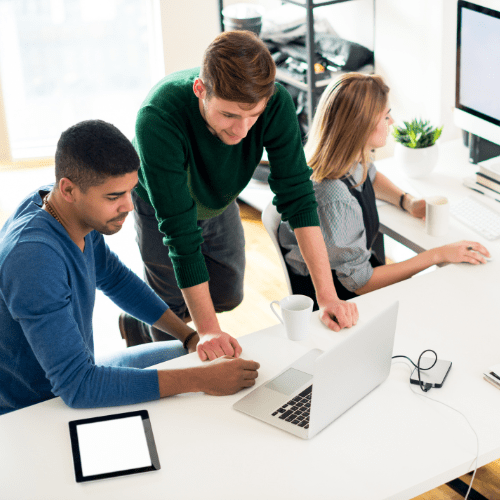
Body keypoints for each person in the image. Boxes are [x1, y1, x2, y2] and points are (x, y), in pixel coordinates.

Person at [120, 30, 358, 354]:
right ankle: (148, 324)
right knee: (171, 315)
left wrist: (327, 296)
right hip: (160, 204)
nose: (242, 130)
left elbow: (299, 198)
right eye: (229, 115)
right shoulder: (157, 118)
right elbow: (180, 233)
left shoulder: (276, 103)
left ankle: (153, 316)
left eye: (253, 115)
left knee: (229, 293)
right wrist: (208, 332)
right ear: (200, 90)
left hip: (217, 196)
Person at [0, 120, 259, 416]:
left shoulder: (66, 209)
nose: (129, 206)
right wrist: (200, 381)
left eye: (130, 191)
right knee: (198, 380)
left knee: (200, 356)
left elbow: (116, 279)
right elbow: (78, 387)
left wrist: (189, 336)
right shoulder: (33, 260)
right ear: (68, 189)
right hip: (36, 409)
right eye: (114, 197)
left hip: (81, 372)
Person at [279, 73, 490, 304]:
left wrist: (406, 201)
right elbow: (362, 284)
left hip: (358, 274)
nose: (392, 122)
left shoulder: (347, 159)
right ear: (361, 126)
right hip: (344, 298)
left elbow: (371, 176)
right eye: (386, 116)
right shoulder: (334, 196)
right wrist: (438, 254)